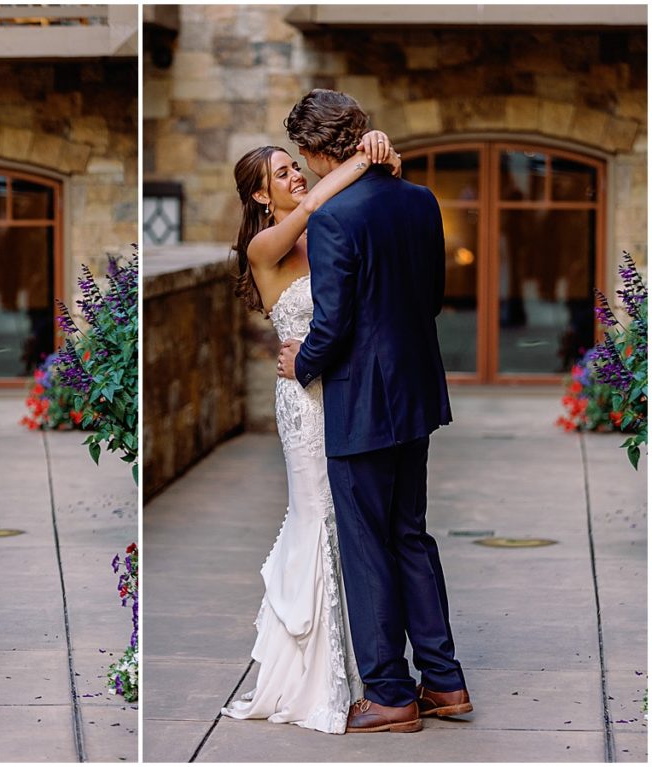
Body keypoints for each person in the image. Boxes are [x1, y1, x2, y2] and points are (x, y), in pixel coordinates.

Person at [277, 89, 472, 733]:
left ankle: (390, 694)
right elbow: (436, 298)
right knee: (410, 534)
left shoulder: (333, 218)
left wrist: (298, 364)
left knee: (366, 545)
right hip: (415, 392)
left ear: (314, 150)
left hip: (361, 399)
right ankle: (444, 683)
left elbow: (330, 329)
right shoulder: (421, 201)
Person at [221, 133, 399, 733]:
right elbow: (313, 205)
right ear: (259, 194)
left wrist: (376, 159)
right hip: (302, 402)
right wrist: (365, 153)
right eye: (282, 171)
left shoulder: (324, 229)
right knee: (319, 517)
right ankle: (323, 677)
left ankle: (360, 669)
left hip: (341, 388)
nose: (295, 174)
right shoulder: (264, 245)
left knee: (349, 522)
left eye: (296, 165)